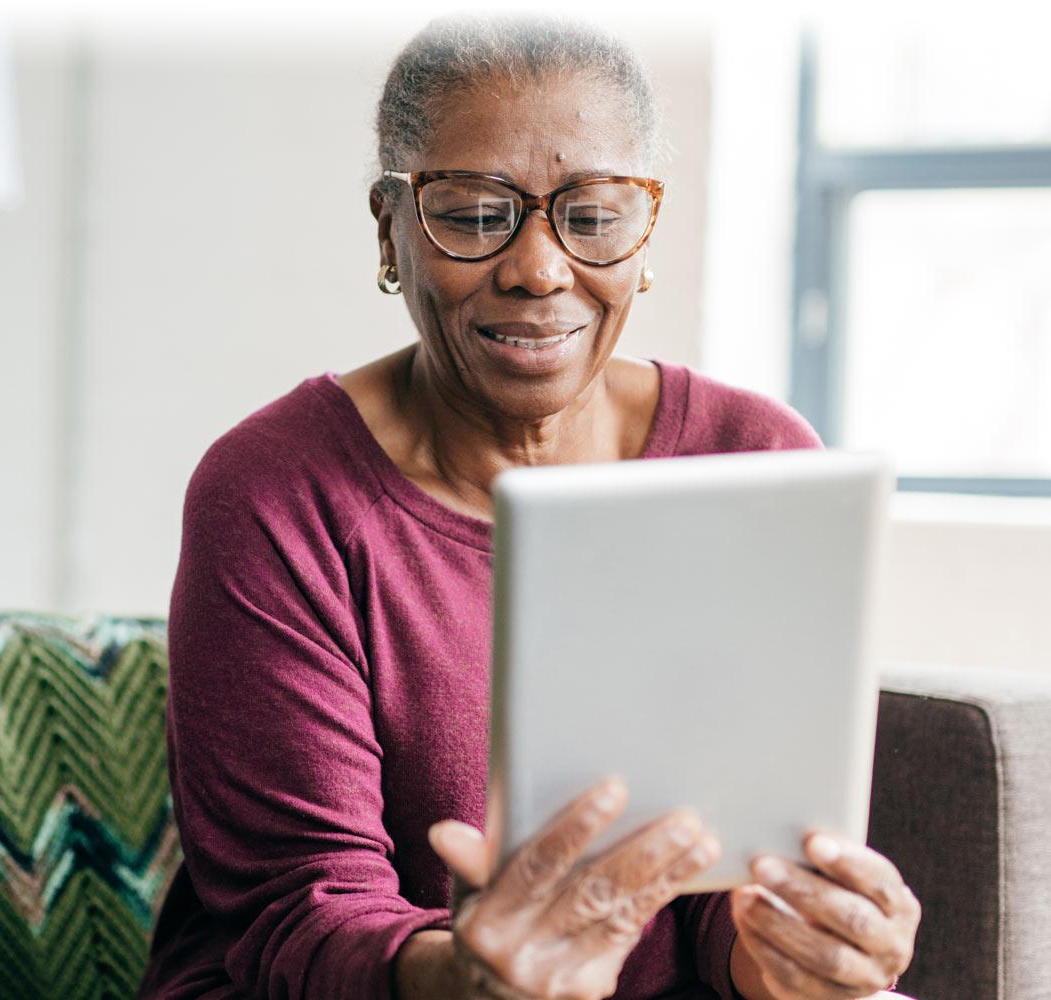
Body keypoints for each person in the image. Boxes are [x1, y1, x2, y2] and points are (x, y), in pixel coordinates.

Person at [137, 15, 920, 1000]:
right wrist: (470, 975)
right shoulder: (275, 492)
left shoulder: (752, 457)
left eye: (590, 216)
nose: (539, 269)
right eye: (471, 215)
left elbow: (742, 861)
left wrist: (785, 957)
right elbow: (299, 912)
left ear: (643, 231)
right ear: (391, 228)